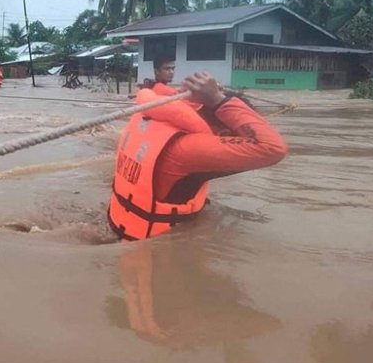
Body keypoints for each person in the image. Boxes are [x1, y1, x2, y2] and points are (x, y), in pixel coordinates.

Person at [107, 72, 288, 241]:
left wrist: (213, 96)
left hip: (121, 227)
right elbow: (272, 148)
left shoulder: (159, 123)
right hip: (158, 247)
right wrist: (218, 100)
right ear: (224, 131)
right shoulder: (188, 150)